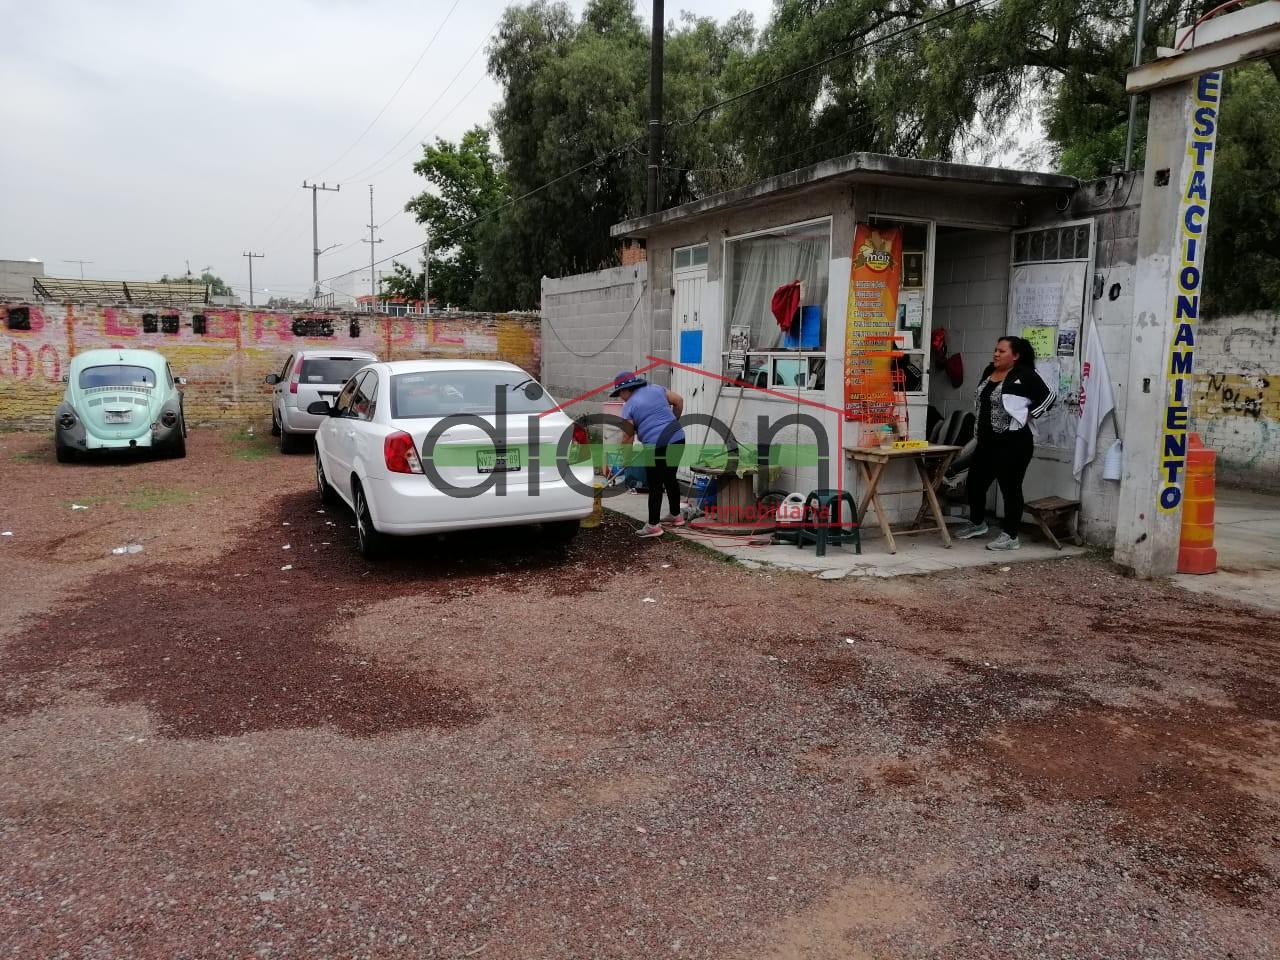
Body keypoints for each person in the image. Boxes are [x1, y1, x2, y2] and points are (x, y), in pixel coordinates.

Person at [954, 336, 1056, 551]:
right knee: (975, 483)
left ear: (1016, 356)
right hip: (986, 441)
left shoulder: (1025, 375)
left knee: (1010, 488)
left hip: (1013, 443)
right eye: (995, 350)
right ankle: (977, 523)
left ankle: (1010, 536)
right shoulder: (989, 371)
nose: (996, 354)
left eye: (1002, 351)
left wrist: (1029, 414)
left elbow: (1050, 397)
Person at [609, 371, 685, 538]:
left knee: (655, 484)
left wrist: (626, 459)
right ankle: (676, 516)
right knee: (670, 477)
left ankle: (653, 525)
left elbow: (627, 436)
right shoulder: (656, 389)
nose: (620, 398)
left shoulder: (629, 406)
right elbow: (678, 401)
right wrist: (673, 420)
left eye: (619, 394)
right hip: (678, 439)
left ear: (626, 390)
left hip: (656, 446)